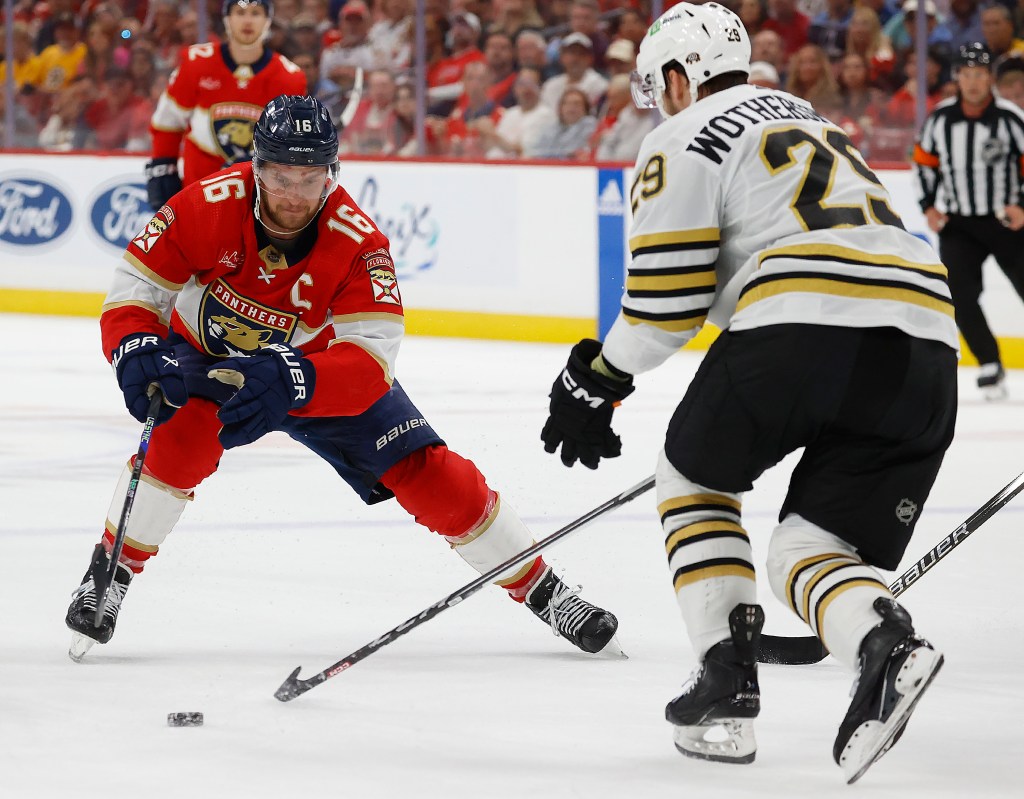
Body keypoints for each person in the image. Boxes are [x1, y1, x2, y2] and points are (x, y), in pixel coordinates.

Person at [542, 2, 954, 782]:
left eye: (660, 86)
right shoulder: (814, 119)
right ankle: (884, 643)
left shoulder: (683, 132)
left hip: (801, 320)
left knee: (694, 481)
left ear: (676, 76)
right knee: (812, 547)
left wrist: (596, 377)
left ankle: (726, 684)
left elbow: (664, 306)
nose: (660, 102)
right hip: (928, 338)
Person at [64, 94, 620, 665]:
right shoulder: (205, 204)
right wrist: (132, 346)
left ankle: (546, 591)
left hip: (317, 374)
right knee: (178, 441)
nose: (291, 194)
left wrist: (298, 377)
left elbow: (371, 362)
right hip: (208, 360)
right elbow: (135, 290)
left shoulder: (360, 243)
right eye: (279, 174)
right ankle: (110, 574)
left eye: (309, 178)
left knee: (429, 474)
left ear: (332, 174)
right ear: (255, 165)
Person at [915, 41, 1024, 400]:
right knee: (959, 294)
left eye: (980, 75)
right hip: (960, 222)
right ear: (957, 78)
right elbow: (925, 163)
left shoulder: (1011, 118)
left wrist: (1021, 205)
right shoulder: (940, 120)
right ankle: (990, 363)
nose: (973, 82)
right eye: (966, 75)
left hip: (1007, 222)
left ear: (990, 78)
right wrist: (929, 206)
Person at [145, 0, 307, 212]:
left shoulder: (289, 78)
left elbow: (292, 148)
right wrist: (163, 165)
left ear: (268, 21)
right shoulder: (196, 64)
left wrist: (259, 163)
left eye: (256, 13)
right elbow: (168, 121)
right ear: (226, 19)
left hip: (255, 201)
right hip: (197, 192)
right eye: (239, 12)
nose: (247, 20)